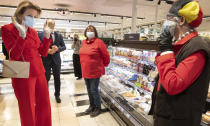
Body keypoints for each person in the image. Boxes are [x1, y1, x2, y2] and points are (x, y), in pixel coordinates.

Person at [149, 0, 210, 126]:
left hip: (179, 120)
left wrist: (166, 50)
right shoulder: (180, 45)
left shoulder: (197, 48)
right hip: (167, 115)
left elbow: (173, 84)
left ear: (181, 20)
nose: (165, 23)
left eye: (169, 18)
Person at [1, 1, 52, 126]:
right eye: (29, 16)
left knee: (44, 104)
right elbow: (13, 56)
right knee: (27, 108)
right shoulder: (7, 29)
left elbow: (43, 53)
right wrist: (21, 37)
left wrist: (46, 37)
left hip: (39, 71)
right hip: (22, 73)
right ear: (19, 14)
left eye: (34, 17)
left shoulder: (33, 32)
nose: (32, 19)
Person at [79, 25, 110, 117]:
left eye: (91, 30)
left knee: (94, 90)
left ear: (95, 32)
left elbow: (106, 55)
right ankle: (92, 105)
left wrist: (103, 65)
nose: (89, 31)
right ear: (85, 32)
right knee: (89, 90)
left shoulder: (99, 42)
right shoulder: (84, 42)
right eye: (88, 30)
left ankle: (98, 107)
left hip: (95, 71)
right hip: (85, 70)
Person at [38, 19, 66, 103]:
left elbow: (64, 46)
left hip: (56, 61)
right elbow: (38, 47)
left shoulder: (58, 35)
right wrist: (46, 51)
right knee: (46, 78)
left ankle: (57, 95)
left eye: (52, 25)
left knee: (57, 78)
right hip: (45, 60)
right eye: (49, 24)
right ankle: (45, 95)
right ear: (45, 24)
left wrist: (58, 49)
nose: (51, 26)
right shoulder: (39, 35)